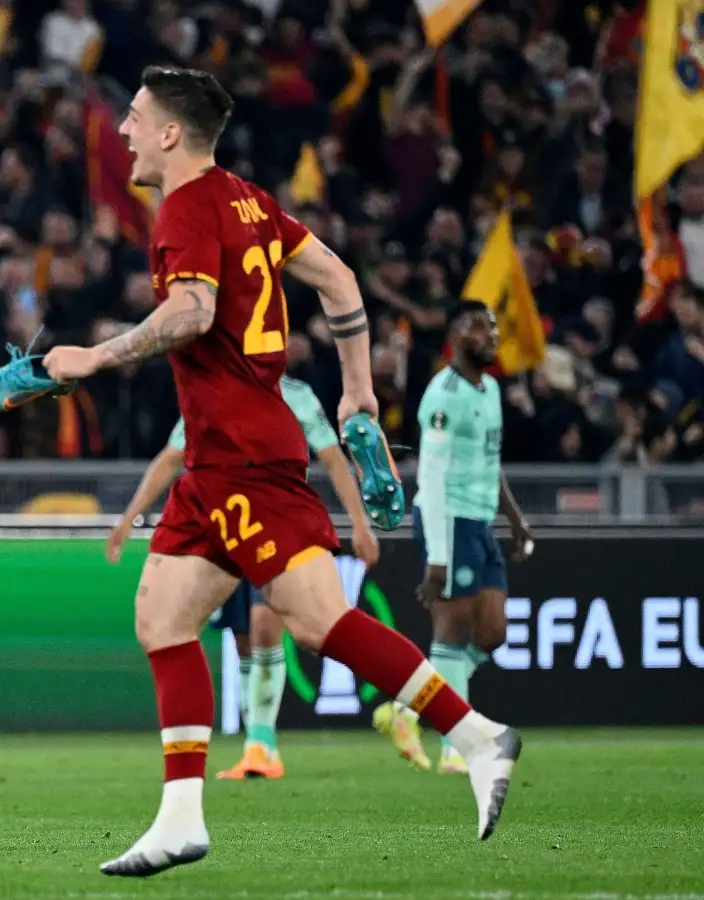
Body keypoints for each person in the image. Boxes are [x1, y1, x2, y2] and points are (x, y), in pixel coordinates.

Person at [34, 66, 521, 876]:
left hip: (245, 458)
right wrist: (356, 388)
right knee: (161, 618)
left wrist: (94, 355)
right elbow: (339, 279)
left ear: (168, 134)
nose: (120, 130)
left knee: (319, 622)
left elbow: (189, 314)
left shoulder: (186, 208)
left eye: (132, 116)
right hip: (221, 457)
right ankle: (180, 819)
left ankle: (476, 737)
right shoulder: (249, 199)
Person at [106, 374, 382, 780]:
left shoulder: (298, 395)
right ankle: (257, 743)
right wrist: (130, 516)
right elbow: (171, 456)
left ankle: (261, 742)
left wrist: (360, 523)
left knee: (266, 627)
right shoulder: (213, 388)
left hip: (278, 525)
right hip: (226, 528)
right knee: (244, 639)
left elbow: (333, 458)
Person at [373, 301, 534, 774]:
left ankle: (403, 711)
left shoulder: (490, 391)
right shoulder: (443, 395)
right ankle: (454, 748)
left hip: (479, 521)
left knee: (492, 632)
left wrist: (516, 521)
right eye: (480, 327)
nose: (492, 335)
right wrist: (438, 556)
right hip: (448, 520)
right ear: (457, 335)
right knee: (452, 629)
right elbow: (435, 477)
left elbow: (491, 461)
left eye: (495, 327)